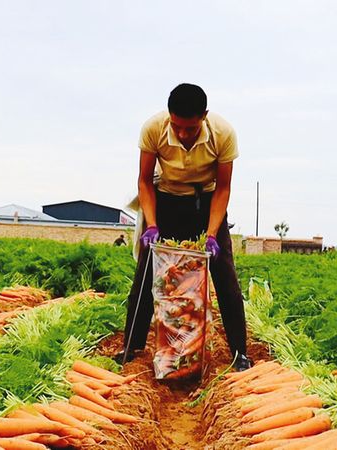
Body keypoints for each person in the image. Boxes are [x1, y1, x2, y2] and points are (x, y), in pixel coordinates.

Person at [116, 83, 252, 372]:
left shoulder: (223, 133)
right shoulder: (153, 129)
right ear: (169, 116)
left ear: (204, 116)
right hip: (165, 200)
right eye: (177, 126)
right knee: (146, 273)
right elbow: (144, 181)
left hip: (206, 202)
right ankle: (132, 346)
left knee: (225, 275)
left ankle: (240, 352)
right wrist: (152, 225)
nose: (182, 134)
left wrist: (212, 234)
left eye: (190, 128)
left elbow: (223, 187)